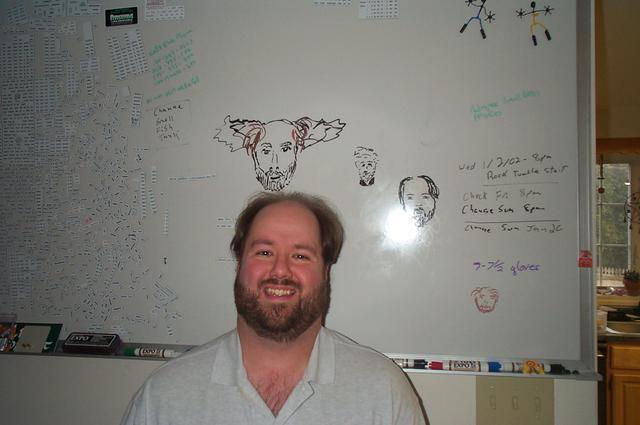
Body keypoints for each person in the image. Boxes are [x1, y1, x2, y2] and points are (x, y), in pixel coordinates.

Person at [122, 191, 427, 425]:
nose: (280, 270)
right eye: (264, 252)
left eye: (301, 256)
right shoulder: (163, 397)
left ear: (325, 273)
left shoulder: (383, 392)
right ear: (239, 264)